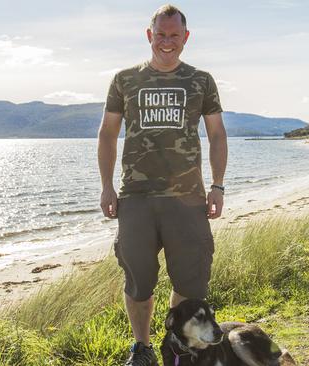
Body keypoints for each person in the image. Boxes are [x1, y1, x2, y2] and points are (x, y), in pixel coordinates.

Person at [97, 4, 228, 366]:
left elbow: (217, 135)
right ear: (149, 36)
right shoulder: (125, 80)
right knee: (139, 282)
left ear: (185, 38)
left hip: (187, 200)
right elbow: (108, 133)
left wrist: (217, 186)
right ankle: (142, 348)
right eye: (160, 35)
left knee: (190, 285)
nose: (166, 42)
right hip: (136, 199)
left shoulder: (201, 80)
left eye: (174, 35)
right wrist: (107, 186)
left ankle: (179, 348)